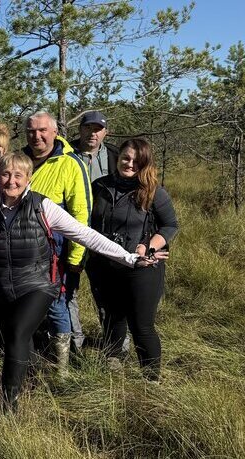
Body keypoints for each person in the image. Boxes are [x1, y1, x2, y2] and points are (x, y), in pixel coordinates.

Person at [0, 153, 165, 412]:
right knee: (21, 337)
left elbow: (85, 234)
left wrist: (129, 258)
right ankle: (33, 376)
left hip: (39, 285)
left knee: (17, 332)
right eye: (5, 174)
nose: (11, 181)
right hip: (2, 287)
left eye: (18, 175)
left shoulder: (42, 206)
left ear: (29, 178)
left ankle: (8, 406)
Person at [88, 138, 177, 380]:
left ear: (145, 163)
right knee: (112, 317)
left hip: (142, 267)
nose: (129, 164)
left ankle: (151, 379)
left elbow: (170, 225)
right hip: (105, 265)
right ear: (118, 158)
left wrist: (149, 246)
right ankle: (112, 366)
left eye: (137, 161)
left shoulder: (153, 191)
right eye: (126, 158)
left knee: (141, 325)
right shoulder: (99, 187)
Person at [21, 111, 91, 375]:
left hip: (55, 254)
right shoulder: (20, 159)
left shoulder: (70, 163)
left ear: (55, 132)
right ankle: (30, 357)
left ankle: (62, 366)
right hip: (21, 250)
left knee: (57, 304)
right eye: (31, 131)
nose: (36, 136)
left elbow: (81, 213)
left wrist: (75, 258)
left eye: (42, 131)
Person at [69, 110, 123, 352]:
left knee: (107, 294)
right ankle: (74, 346)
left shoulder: (115, 156)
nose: (92, 133)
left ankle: (116, 347)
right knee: (68, 292)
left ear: (105, 132)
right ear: (80, 130)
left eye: (98, 129)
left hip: (105, 235)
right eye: (88, 128)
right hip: (71, 232)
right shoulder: (66, 154)